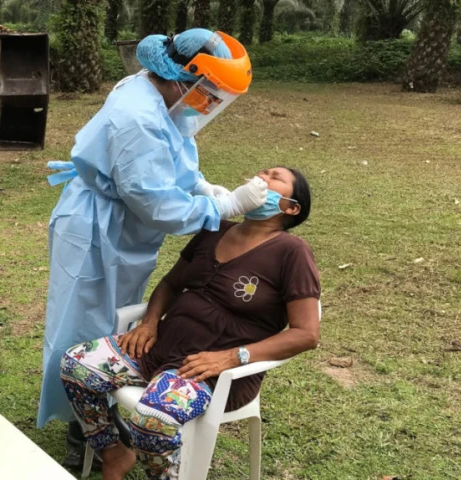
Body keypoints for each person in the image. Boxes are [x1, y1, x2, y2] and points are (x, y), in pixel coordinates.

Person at [38, 28, 266, 467]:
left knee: (115, 317)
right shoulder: (136, 115)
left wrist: (198, 184)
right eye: (210, 91)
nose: (210, 102)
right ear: (186, 78)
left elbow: (174, 150)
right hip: (95, 226)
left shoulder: (164, 95)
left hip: (122, 226)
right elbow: (155, 203)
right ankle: (83, 430)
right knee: (82, 324)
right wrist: (226, 204)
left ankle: (100, 415)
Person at [59, 166, 321, 480]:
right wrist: (149, 323)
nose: (262, 177)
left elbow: (306, 334)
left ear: (291, 208)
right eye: (262, 171)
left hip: (211, 370)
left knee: (151, 421)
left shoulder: (292, 252)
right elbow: (170, 283)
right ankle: (114, 452)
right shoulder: (214, 228)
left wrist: (232, 357)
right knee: (76, 365)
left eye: (275, 177)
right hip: (159, 347)